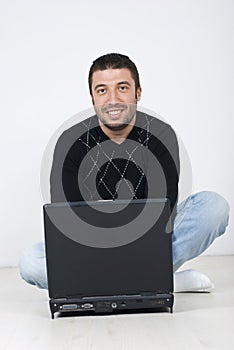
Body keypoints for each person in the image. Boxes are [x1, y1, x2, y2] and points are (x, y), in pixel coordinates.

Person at [19, 53, 230, 292]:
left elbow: (165, 211)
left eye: (122, 87)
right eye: (102, 90)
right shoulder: (71, 141)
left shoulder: (161, 134)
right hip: (90, 248)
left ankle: (110, 282)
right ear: (92, 97)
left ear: (138, 92)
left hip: (148, 242)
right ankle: (159, 280)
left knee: (214, 206)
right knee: (30, 261)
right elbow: (66, 219)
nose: (113, 99)